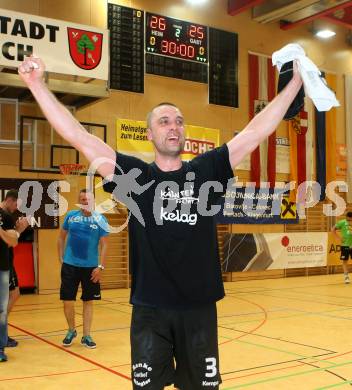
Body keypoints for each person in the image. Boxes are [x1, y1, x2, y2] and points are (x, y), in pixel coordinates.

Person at [19, 55, 302, 388]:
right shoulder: (136, 177)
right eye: (165, 121)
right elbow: (79, 136)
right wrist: (36, 84)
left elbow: (255, 131)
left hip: (198, 310)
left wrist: (296, 82)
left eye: (179, 121)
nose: (174, 126)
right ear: (150, 134)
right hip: (150, 310)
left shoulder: (206, 170)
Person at [58, 189, 108, 348]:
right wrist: (61, 258)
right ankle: (71, 330)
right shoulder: (71, 216)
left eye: (87, 199)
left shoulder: (100, 219)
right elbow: (61, 237)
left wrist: (101, 266)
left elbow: (105, 244)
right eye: (82, 199)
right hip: (70, 266)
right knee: (67, 301)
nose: (85, 201)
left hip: (91, 268)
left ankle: (86, 335)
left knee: (88, 301)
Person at [0, 192, 28, 362]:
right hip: (5, 265)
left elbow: (12, 241)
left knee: (2, 308)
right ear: (9, 200)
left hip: (3, 265)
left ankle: (1, 345)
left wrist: (17, 230)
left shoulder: (6, 216)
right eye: (16, 204)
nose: (17, 208)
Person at [332, 211, 352, 284]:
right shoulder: (341, 222)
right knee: (345, 261)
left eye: (351, 219)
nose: (349, 221)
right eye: (348, 219)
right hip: (345, 245)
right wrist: (339, 238)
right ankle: (346, 277)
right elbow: (333, 229)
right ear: (346, 217)